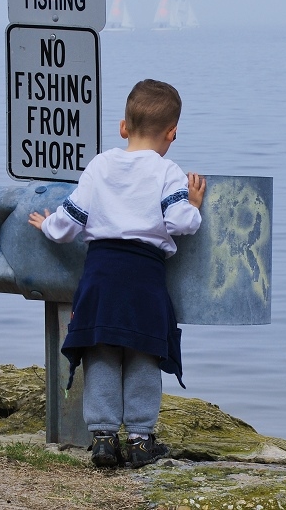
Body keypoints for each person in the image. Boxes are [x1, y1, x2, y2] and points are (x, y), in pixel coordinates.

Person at [28, 79, 206, 468]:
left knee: (102, 350)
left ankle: (104, 438)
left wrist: (46, 226)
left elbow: (69, 223)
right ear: (172, 133)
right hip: (144, 275)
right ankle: (141, 439)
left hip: (101, 274)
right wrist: (193, 204)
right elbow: (181, 223)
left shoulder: (101, 164)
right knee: (143, 351)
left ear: (123, 127)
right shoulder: (168, 170)